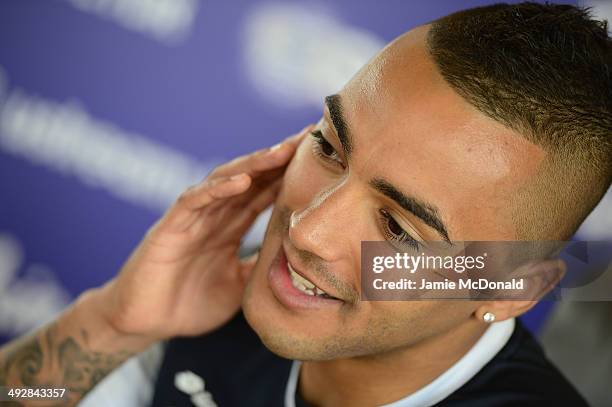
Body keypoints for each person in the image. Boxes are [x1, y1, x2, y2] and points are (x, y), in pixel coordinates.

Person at [1, 2, 610, 406]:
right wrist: (112, 323)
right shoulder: (213, 300)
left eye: (399, 231)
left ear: (508, 290)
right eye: (328, 146)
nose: (308, 230)